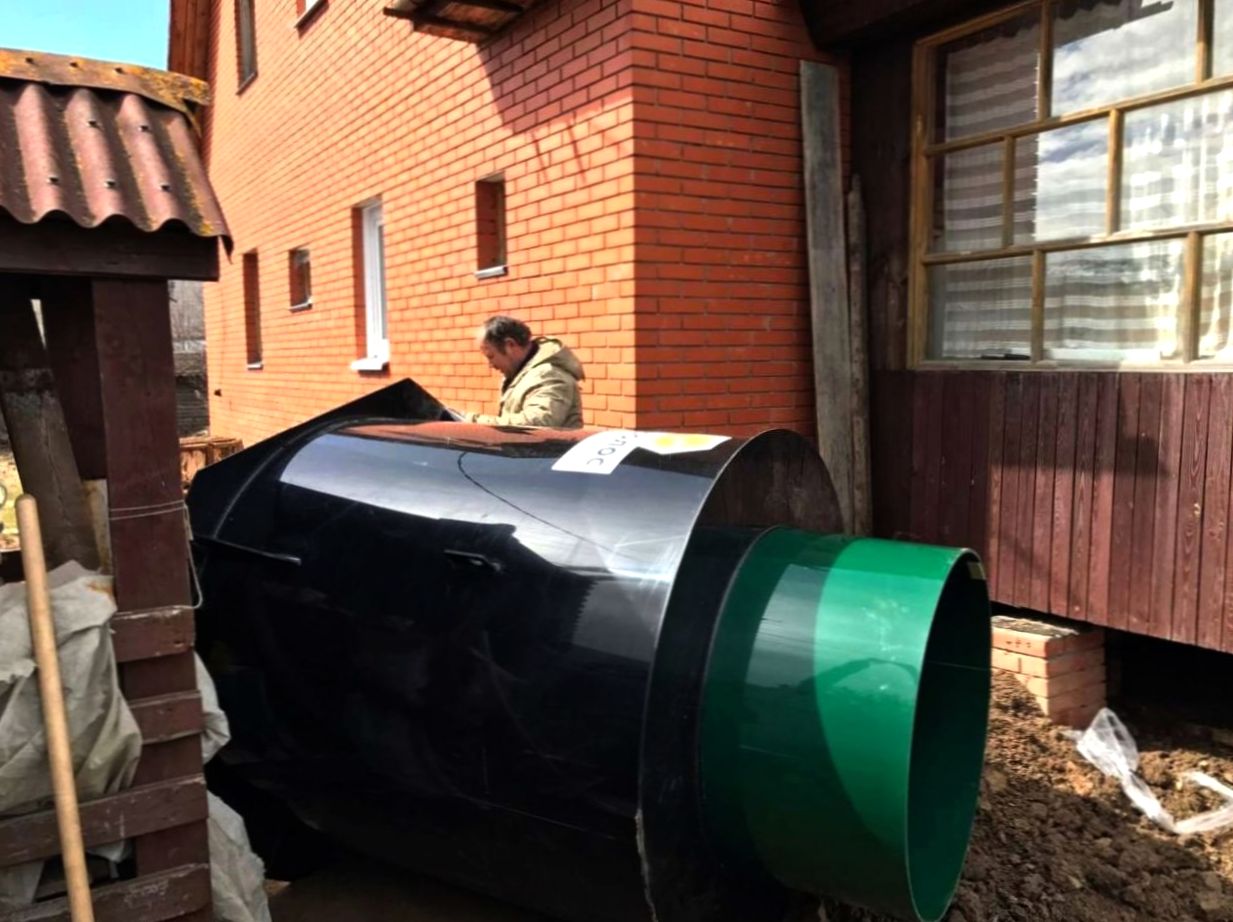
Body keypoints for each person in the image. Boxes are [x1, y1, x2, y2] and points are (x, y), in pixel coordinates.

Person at [462, 316, 585, 428]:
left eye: (491, 356)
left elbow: (537, 425)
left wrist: (470, 420)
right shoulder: (520, 373)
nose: (490, 365)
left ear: (510, 345)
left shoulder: (550, 375)